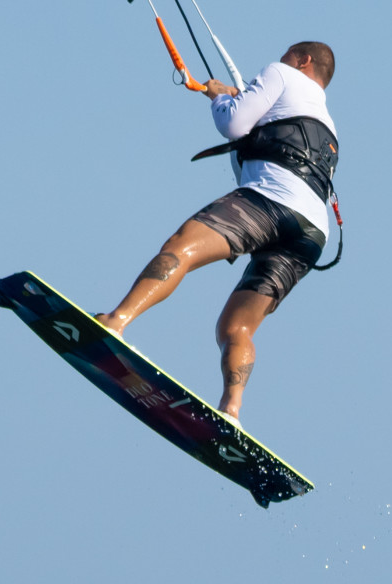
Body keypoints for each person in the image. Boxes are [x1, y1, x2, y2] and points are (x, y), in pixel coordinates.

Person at [95, 41, 338, 426]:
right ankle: (232, 411)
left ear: (303, 61)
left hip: (273, 202)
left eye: (288, 55)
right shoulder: (326, 124)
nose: (281, 59)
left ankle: (115, 323)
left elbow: (233, 125)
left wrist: (218, 98)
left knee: (181, 248)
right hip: (311, 235)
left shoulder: (282, 74)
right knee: (236, 327)